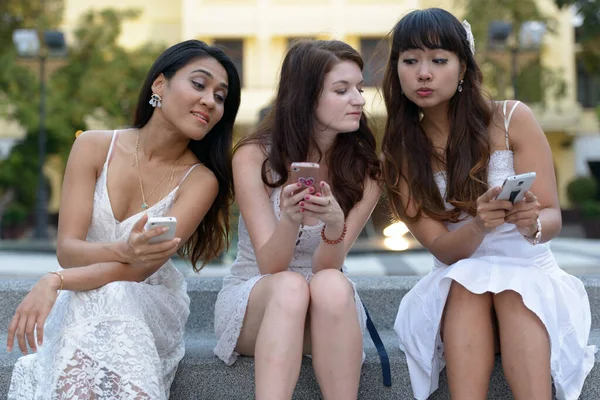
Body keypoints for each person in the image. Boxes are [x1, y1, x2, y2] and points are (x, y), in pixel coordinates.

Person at [7, 39, 241, 399]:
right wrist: (119, 250)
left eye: (221, 96)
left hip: (149, 302)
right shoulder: (93, 146)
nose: (210, 100)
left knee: (114, 293)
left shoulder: (201, 180)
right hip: (87, 297)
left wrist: (56, 281)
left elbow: (138, 271)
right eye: (199, 84)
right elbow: (68, 250)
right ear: (159, 85)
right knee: (98, 298)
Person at [381, 8, 595, 400]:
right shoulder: (399, 152)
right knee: (467, 281)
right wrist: (479, 225)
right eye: (410, 61)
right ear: (397, 70)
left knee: (515, 287)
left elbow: (551, 216)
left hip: (530, 273)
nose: (423, 73)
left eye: (438, 60)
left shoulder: (512, 117)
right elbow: (442, 250)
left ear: (463, 67)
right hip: (458, 282)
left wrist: (531, 223)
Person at [213, 39, 382, 399]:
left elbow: (328, 267)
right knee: (290, 285)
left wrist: (335, 225)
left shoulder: (366, 170)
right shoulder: (253, 156)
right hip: (259, 299)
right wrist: (290, 220)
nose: (359, 99)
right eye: (342, 89)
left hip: (326, 309)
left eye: (359, 88)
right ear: (306, 96)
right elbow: (270, 265)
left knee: (334, 285)